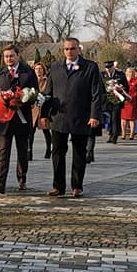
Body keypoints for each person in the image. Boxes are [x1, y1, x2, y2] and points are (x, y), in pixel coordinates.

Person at [38, 37, 103, 198]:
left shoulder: (90, 67)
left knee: (79, 153)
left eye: (72, 48)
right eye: (66, 49)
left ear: (79, 49)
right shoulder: (55, 67)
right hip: (59, 117)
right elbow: (48, 93)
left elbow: (97, 94)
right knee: (58, 152)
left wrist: (94, 115)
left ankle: (77, 186)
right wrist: (44, 114)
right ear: (63, 50)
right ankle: (58, 186)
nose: (69, 52)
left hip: (81, 116)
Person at [0, 44, 39, 194]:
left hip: (22, 119)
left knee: (22, 151)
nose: (9, 59)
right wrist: (0, 97)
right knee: (3, 151)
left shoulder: (28, 73)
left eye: (11, 56)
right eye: (6, 56)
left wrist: (22, 98)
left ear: (17, 56)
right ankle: (0, 182)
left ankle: (22, 178)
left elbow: (35, 94)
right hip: (4, 119)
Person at [101, 60, 128, 144]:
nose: (108, 69)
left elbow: (125, 87)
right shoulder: (102, 75)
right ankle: (111, 133)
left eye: (109, 67)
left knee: (115, 118)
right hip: (106, 100)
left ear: (113, 67)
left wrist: (121, 92)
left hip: (116, 101)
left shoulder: (120, 75)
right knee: (109, 119)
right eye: (106, 68)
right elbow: (99, 87)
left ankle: (115, 135)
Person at [30, 62, 51, 159]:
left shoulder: (47, 80)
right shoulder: (31, 81)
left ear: (43, 70)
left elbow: (49, 92)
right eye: (36, 69)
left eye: (40, 69)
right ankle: (29, 152)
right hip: (34, 109)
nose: (38, 71)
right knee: (31, 132)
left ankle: (48, 150)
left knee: (46, 130)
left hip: (44, 109)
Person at [120, 66, 137, 140]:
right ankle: (123, 134)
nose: (131, 74)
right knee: (123, 118)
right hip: (124, 102)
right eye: (129, 72)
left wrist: (132, 97)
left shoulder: (136, 81)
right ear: (126, 73)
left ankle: (131, 134)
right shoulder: (123, 80)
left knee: (132, 119)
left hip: (132, 102)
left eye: (132, 72)